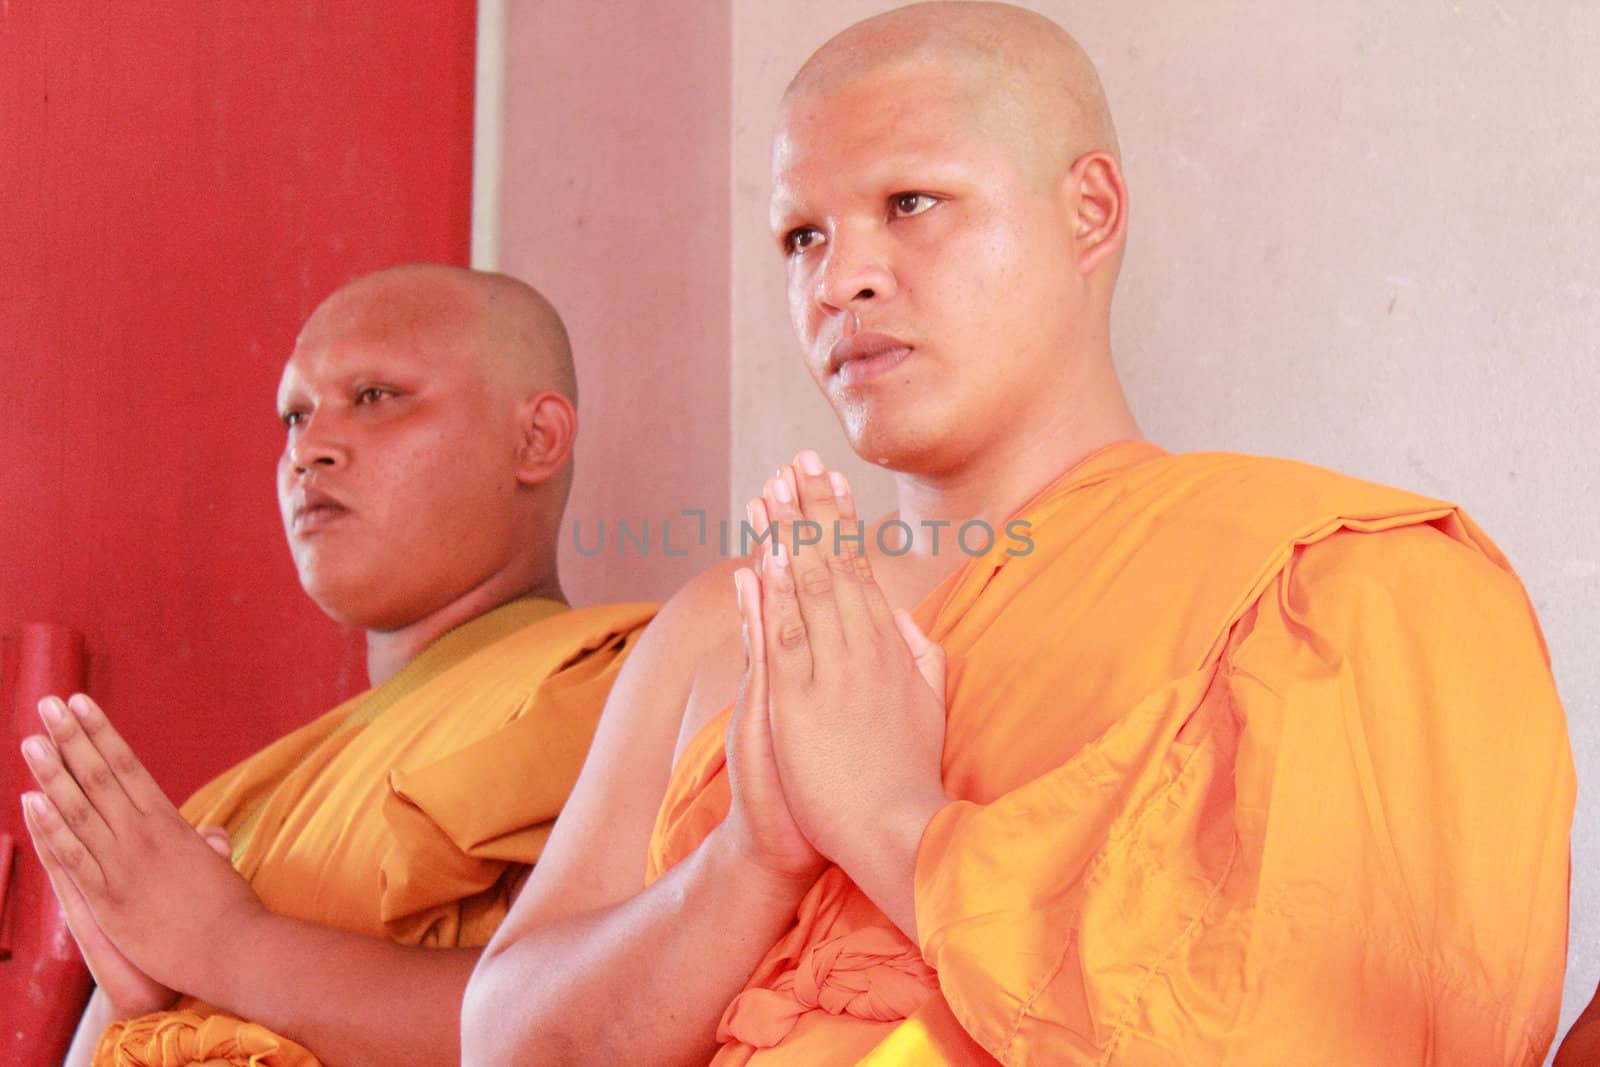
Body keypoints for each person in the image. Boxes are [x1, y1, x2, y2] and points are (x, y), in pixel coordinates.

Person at [461, 4, 1575, 1063]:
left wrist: (892, 820)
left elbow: (1330, 1023)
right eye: (801, 235)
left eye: (911, 202)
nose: (838, 278)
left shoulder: (1339, 581)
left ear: (1088, 209)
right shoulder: (730, 625)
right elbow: (501, 1042)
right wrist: (750, 857)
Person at [19, 264, 655, 1067]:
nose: (308, 449)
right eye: (294, 414)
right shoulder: (236, 800)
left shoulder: (609, 683)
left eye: (377, 396)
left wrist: (226, 947)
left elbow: (591, 1022)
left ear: (536, 438)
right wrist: (134, 994)